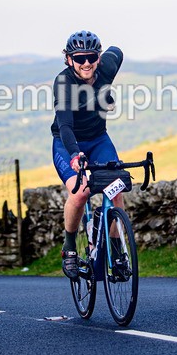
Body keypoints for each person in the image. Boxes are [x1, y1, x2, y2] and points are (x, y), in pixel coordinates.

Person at [51, 30, 124, 279]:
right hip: (67, 142)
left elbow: (118, 52)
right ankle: (69, 246)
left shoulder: (105, 68)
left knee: (116, 188)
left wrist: (106, 93)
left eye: (91, 57)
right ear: (69, 59)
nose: (86, 63)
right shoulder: (64, 84)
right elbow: (65, 126)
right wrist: (74, 154)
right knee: (81, 191)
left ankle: (117, 252)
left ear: (98, 57)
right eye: (79, 58)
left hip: (99, 139)